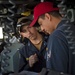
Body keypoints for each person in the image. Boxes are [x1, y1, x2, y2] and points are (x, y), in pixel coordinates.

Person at [30, 1, 75, 75]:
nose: (42, 29)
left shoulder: (56, 36)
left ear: (48, 16)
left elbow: (55, 72)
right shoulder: (71, 28)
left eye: (41, 23)